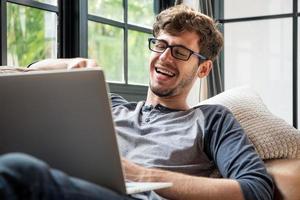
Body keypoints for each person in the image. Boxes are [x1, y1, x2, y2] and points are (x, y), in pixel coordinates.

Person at [0, 4, 278, 200]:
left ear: (203, 69)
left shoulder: (212, 119)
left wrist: (141, 176)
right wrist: (71, 63)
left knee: (20, 170)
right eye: (160, 45)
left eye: (180, 52)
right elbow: (23, 74)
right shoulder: (108, 104)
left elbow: (256, 190)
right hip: (71, 187)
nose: (165, 57)